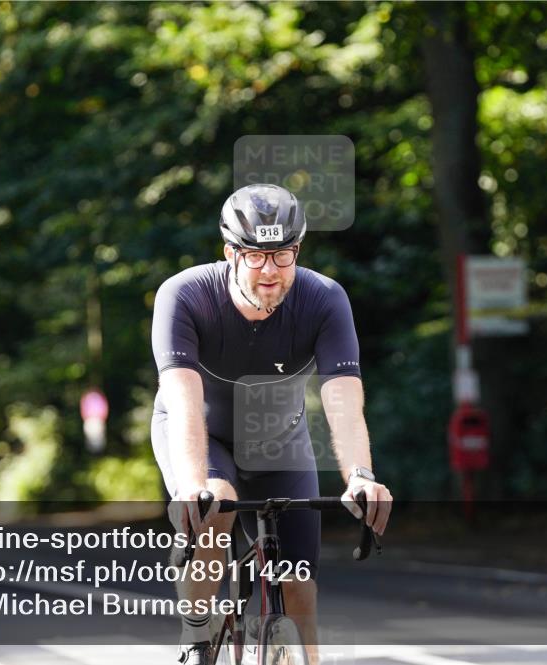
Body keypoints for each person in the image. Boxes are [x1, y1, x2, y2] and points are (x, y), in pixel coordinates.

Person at [151, 183, 392, 665]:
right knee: (216, 506)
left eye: (282, 255)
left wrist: (360, 476)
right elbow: (182, 398)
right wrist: (194, 486)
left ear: (297, 252)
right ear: (230, 253)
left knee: (300, 586)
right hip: (204, 433)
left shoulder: (324, 299)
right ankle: (197, 629)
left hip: (281, 441)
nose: (269, 270)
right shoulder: (185, 295)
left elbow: (342, 398)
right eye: (255, 255)